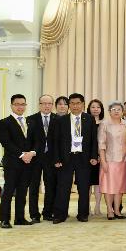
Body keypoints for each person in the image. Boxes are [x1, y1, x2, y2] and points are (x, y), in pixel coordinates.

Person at [52, 93, 98, 223]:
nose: (75, 106)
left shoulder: (89, 119)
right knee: (63, 187)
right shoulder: (61, 120)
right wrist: (56, 159)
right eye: (72, 103)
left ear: (83, 104)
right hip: (66, 158)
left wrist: (94, 156)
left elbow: (93, 140)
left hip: (83, 158)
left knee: (83, 187)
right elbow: (55, 141)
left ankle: (83, 214)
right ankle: (60, 215)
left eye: (78, 103)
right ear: (69, 105)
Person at [0, 94, 40, 228]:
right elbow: (6, 143)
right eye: (17, 104)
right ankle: (4, 219)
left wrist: (32, 153)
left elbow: (38, 141)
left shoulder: (31, 122)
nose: (20, 107)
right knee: (8, 191)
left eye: (23, 104)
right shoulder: (4, 122)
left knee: (22, 192)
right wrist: (22, 155)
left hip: (28, 163)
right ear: (11, 105)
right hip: (12, 163)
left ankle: (20, 218)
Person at [27, 94, 57, 223]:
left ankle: (47, 212)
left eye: (49, 103)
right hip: (35, 158)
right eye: (44, 103)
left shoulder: (58, 119)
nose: (46, 106)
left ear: (52, 105)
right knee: (34, 187)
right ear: (39, 105)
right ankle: (34, 214)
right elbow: (27, 141)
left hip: (51, 158)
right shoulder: (30, 119)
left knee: (50, 186)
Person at [97, 102, 126, 220]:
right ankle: (109, 210)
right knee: (109, 187)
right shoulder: (104, 124)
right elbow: (101, 144)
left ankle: (117, 210)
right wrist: (103, 161)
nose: (116, 111)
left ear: (122, 111)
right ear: (109, 111)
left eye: (119, 109)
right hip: (109, 160)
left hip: (123, 160)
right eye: (113, 109)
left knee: (119, 187)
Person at [87, 99, 105, 216]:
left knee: (98, 183)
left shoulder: (104, 123)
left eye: (98, 107)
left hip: (101, 157)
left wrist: (100, 155)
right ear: (89, 108)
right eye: (93, 107)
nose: (95, 109)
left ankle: (97, 206)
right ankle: (86, 206)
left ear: (101, 109)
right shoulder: (85, 121)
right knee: (87, 183)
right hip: (87, 158)